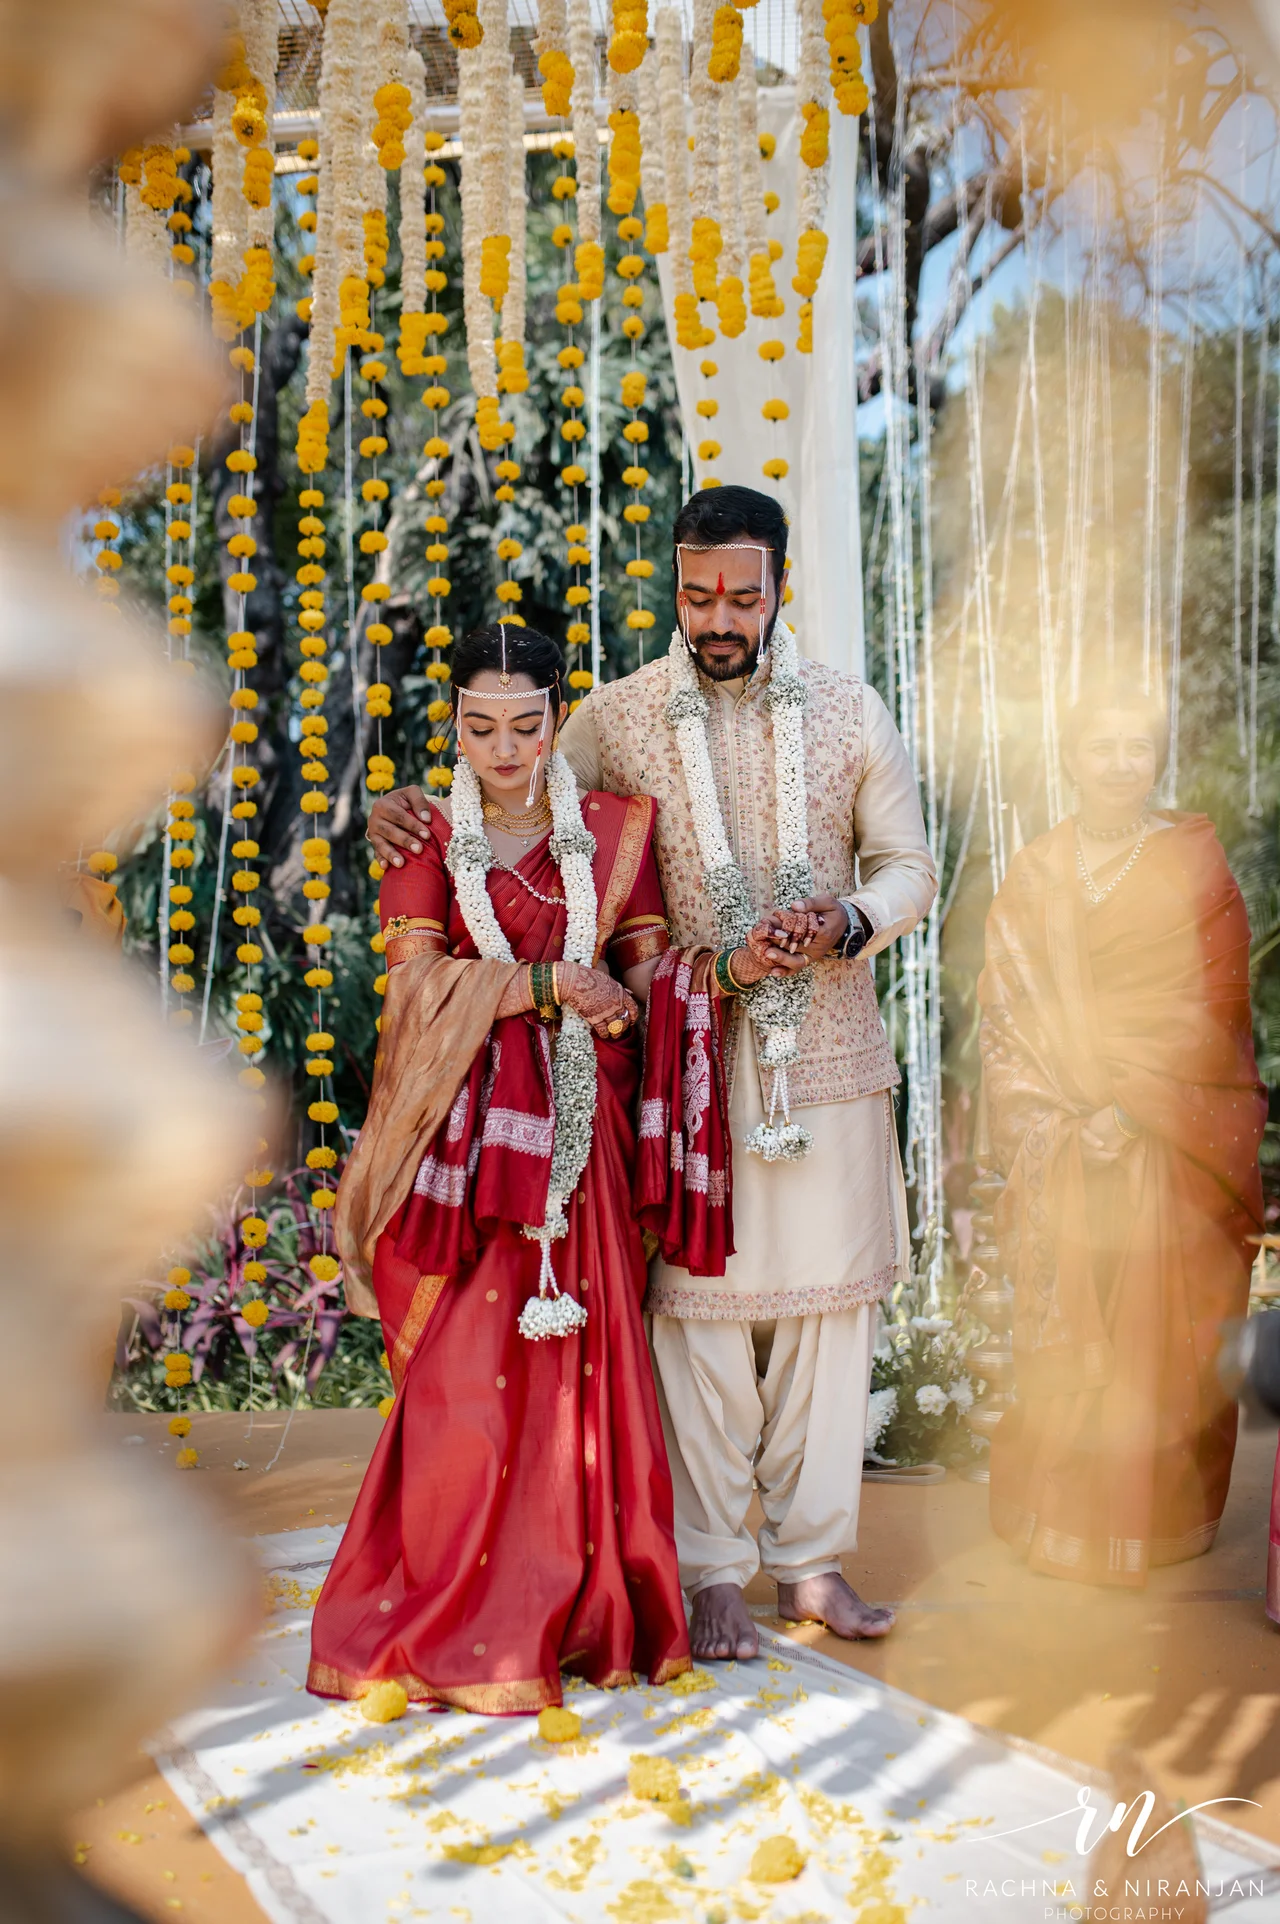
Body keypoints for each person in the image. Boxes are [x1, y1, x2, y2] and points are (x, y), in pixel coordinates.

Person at [368, 486, 938, 1662]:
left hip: (826, 1052)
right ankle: (716, 1566)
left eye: (740, 595)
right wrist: (399, 807)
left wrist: (850, 914)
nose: (717, 617)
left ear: (781, 587)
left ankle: (813, 1563)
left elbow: (908, 865)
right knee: (694, 1321)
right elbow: (510, 789)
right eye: (695, 595)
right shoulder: (618, 716)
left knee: (834, 1310)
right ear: (673, 587)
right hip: (685, 1069)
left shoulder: (848, 710)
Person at [311, 624, 695, 1712]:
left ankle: (582, 1608)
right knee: (459, 1392)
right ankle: (456, 1607)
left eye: (527, 724)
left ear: (556, 716)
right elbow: (410, 994)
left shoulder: (619, 830)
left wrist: (661, 992)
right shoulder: (426, 836)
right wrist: (539, 988)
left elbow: (648, 975)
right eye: (479, 727)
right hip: (468, 1154)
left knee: (584, 1388)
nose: (506, 747)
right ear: (453, 728)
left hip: (586, 1145)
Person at [977, 685, 1265, 1587]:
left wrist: (1132, 1108)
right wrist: (1061, 1123)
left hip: (1168, 1138)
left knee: (1162, 1336)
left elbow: (1212, 1011)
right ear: (1070, 757)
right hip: (1065, 1138)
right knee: (1075, 1333)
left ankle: (1155, 1516)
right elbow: (1008, 1013)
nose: (1119, 763)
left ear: (1156, 758)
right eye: (1101, 746)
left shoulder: (1194, 866)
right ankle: (1067, 1512)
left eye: (1136, 747)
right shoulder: (1036, 872)